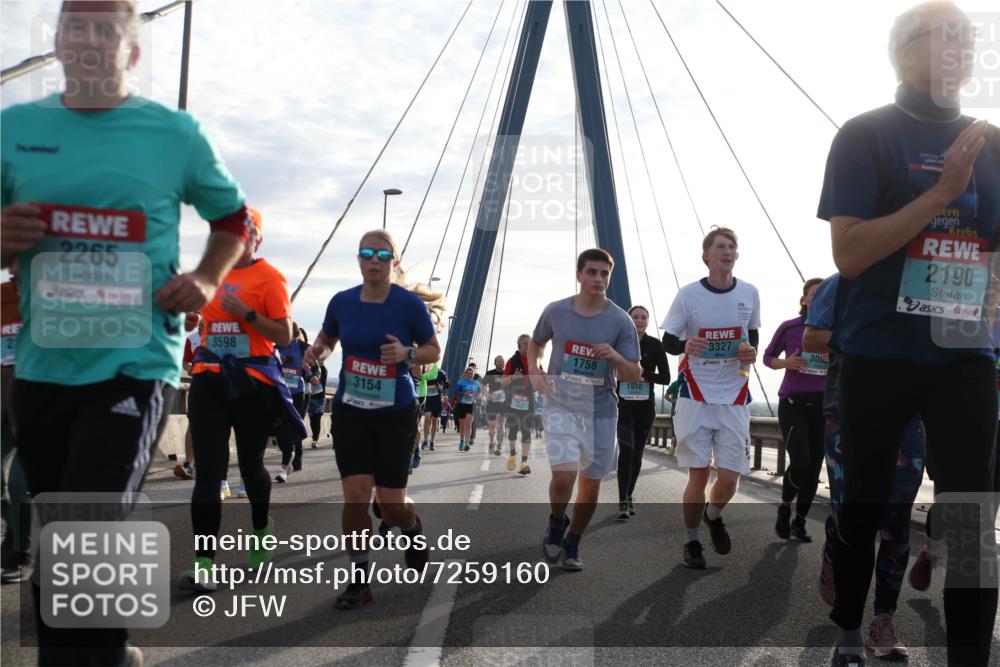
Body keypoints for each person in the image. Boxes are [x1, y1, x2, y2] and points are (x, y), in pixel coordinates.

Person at [0, 2, 253, 662]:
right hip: (43, 365)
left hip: (135, 360)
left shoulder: (174, 134)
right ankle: (107, 651)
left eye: (105, 29)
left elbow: (232, 221)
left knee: (84, 526)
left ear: (131, 53)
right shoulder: (13, 128)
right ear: (56, 42)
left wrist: (203, 277)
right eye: (75, 25)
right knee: (60, 534)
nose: (88, 37)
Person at [818, 4, 999, 664]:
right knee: (863, 510)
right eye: (949, 35)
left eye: (970, 37)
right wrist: (940, 192)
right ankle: (847, 630)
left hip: (963, 356)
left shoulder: (994, 142)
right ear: (904, 51)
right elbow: (850, 254)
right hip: (878, 352)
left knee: (974, 521)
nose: (964, 47)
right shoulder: (865, 135)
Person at [303, 229, 443, 610]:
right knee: (355, 499)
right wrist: (318, 351)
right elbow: (328, 338)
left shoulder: (408, 306)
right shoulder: (342, 302)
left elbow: (433, 349)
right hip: (351, 412)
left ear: (393, 262)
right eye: (367, 253)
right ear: (359, 259)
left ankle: (412, 530)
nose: (374, 260)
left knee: (392, 506)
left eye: (383, 254)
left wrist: (407, 353)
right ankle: (359, 581)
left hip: (395, 414)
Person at [804, 274, 925, 661]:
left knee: (896, 522)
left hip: (909, 415)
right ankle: (850, 632)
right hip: (848, 411)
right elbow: (812, 339)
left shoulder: (925, 281)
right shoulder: (842, 282)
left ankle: (883, 621)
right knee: (856, 520)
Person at [178, 209, 300, 591]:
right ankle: (203, 565)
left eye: (246, 233)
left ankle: (261, 529)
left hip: (254, 385)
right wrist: (190, 322)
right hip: (209, 379)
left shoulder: (270, 279)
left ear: (257, 239)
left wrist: (246, 313)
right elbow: (189, 319)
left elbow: (283, 337)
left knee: (250, 467)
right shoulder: (207, 275)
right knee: (209, 473)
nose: (237, 238)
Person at [530, 248, 641, 571]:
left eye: (604, 273)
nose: (598, 279)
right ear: (579, 275)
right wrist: (535, 370)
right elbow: (537, 342)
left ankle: (574, 539)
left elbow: (634, 374)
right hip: (561, 405)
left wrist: (616, 358)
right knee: (564, 477)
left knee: (591, 484)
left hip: (601, 411)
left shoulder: (620, 320)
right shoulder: (556, 311)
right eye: (591, 272)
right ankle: (556, 522)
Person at [661, 227, 760, 570]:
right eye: (720, 246)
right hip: (695, 396)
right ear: (706, 255)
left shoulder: (749, 292)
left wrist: (751, 353)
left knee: (730, 479)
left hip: (734, 396)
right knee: (699, 476)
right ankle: (691, 542)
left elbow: (753, 337)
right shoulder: (688, 295)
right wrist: (685, 345)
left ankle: (713, 515)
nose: (727, 251)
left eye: (732, 246)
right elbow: (668, 342)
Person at [763, 278, 827, 541]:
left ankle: (800, 522)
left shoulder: (836, 331)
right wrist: (787, 363)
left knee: (813, 467)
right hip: (793, 404)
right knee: (800, 460)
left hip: (824, 407)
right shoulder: (790, 327)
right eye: (815, 294)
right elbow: (767, 358)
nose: (821, 297)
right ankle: (785, 508)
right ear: (804, 300)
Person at [615, 305, 670, 521]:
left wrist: (641, 374)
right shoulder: (618, 342)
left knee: (637, 454)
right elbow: (606, 370)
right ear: (628, 320)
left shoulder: (655, 345)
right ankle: (622, 500)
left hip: (645, 407)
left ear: (648, 321)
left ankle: (629, 494)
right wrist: (620, 375)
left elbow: (665, 378)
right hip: (622, 405)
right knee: (626, 451)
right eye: (635, 317)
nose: (639, 320)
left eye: (643, 317)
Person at [0, 267, 30, 584]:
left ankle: (21, 552)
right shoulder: (2, 296)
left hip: (41, 408)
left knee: (21, 484)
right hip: (3, 407)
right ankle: (15, 537)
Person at [274, 322, 312, 482]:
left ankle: (285, 466)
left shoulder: (303, 347)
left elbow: (313, 366)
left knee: (291, 427)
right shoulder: (274, 346)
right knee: (279, 430)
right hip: (279, 393)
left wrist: (312, 375)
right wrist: (277, 361)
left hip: (297, 393)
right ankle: (289, 457)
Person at [502, 334, 537, 474]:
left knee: (527, 431)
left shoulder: (535, 361)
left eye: (529, 343)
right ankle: (512, 454)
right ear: (519, 345)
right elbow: (503, 382)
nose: (527, 346)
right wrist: (512, 377)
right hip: (514, 401)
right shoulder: (512, 361)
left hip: (529, 400)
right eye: (524, 343)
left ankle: (524, 462)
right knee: (513, 430)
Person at [419, 364, 448, 450]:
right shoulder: (423, 372)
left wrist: (441, 386)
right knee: (427, 418)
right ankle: (425, 441)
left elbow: (447, 384)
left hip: (436, 400)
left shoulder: (441, 373)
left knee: (434, 422)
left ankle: (432, 442)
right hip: (427, 399)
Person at [453, 367, 481, 452]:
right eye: (468, 373)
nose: (469, 375)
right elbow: (456, 392)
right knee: (462, 425)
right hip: (461, 404)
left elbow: (479, 392)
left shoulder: (476, 383)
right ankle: (461, 441)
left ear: (473, 374)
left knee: (468, 424)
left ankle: (466, 443)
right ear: (465, 374)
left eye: (471, 374)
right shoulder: (461, 382)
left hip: (471, 405)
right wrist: (463, 393)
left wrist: (476, 396)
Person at [484, 356, 507, 455]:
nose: (501, 363)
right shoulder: (490, 373)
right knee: (492, 426)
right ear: (495, 363)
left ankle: (499, 446)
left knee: (501, 426)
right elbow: (483, 385)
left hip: (503, 403)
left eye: (502, 361)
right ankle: (491, 442)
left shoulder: (508, 373)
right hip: (492, 403)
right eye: (499, 361)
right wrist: (486, 395)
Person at [307, 361, 327, 448]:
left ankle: (315, 440)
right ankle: (314, 438)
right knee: (312, 420)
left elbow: (322, 381)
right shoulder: (308, 368)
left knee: (316, 419)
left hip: (319, 398)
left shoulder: (323, 369)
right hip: (310, 397)